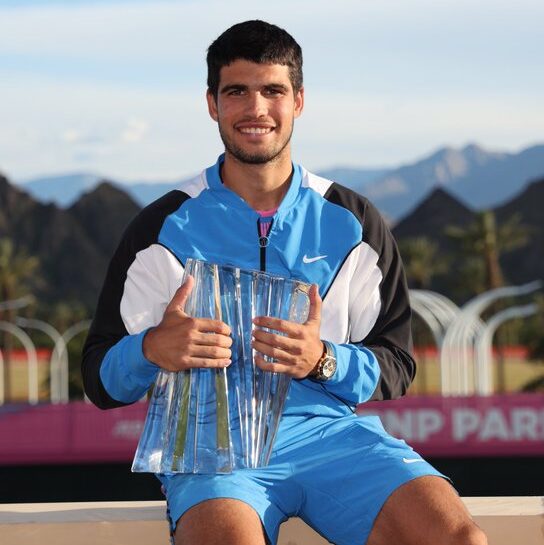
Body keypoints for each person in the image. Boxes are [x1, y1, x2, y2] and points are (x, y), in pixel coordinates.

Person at [82, 20, 487, 545]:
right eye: (237, 92)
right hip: (214, 449)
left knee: (457, 538)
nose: (255, 109)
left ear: (298, 100)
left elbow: (397, 364)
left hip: (334, 436)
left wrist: (323, 359)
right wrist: (152, 349)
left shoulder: (352, 222)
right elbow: (98, 378)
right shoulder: (163, 226)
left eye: (272, 90)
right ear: (212, 104)